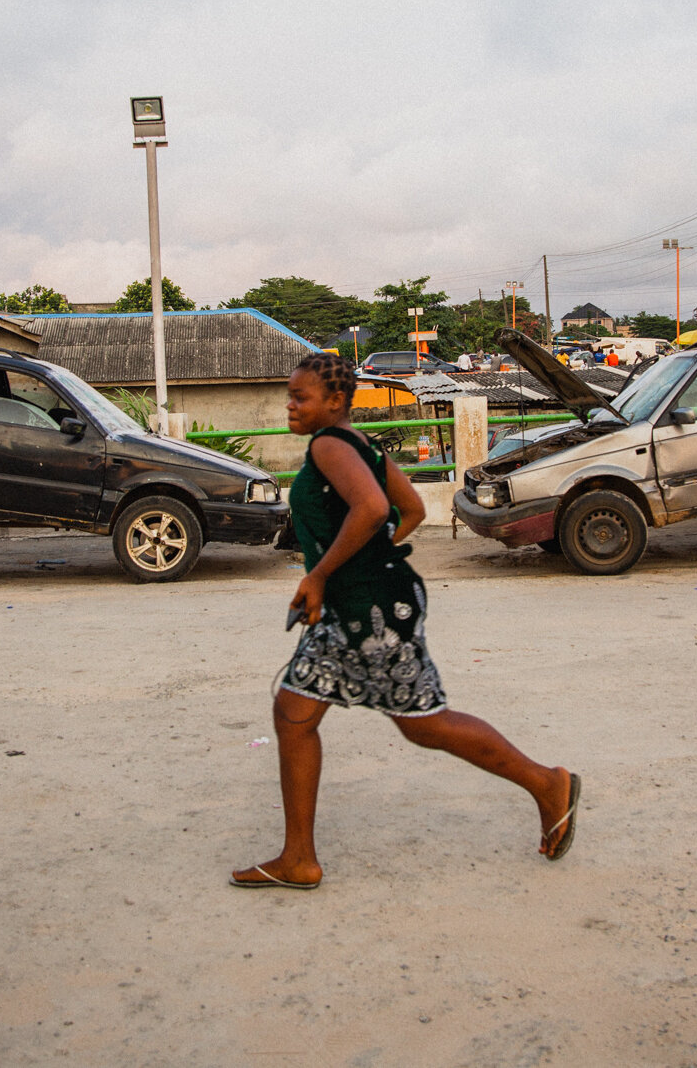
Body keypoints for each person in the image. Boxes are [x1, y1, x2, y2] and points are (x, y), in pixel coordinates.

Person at [231, 352, 580, 890]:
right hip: (365, 603)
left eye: (301, 397)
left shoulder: (328, 446)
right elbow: (411, 509)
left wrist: (322, 576)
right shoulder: (362, 445)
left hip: (367, 612)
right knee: (294, 711)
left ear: (335, 402)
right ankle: (298, 857)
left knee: (424, 723)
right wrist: (359, 567)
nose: (290, 405)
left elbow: (372, 509)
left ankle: (547, 783)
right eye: (290, 395)